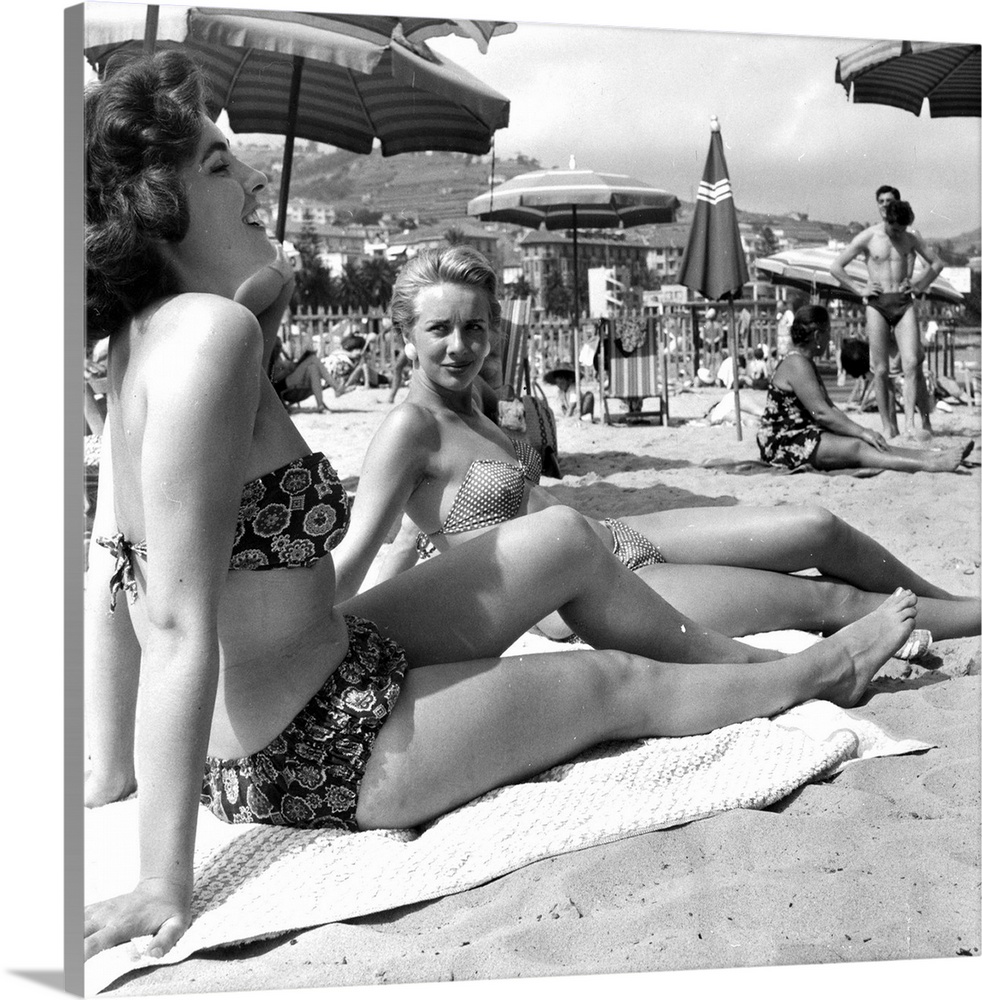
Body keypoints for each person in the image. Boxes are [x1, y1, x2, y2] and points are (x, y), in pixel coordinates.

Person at [83, 53, 922, 961]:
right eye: (216, 165)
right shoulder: (213, 336)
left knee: (559, 537)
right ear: (149, 208)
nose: (250, 176)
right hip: (312, 749)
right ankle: (809, 678)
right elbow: (167, 618)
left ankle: (733, 665)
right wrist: (164, 876)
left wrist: (111, 771)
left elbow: (109, 572)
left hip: (318, 672)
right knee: (609, 686)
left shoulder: (143, 347)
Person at [331, 246, 979, 645]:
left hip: (611, 535)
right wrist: (298, 644)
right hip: (574, 596)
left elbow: (415, 536)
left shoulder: (477, 403)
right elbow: (366, 549)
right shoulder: (406, 427)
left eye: (475, 327)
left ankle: (955, 605)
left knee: (818, 526)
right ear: (404, 334)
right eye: (439, 328)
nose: (460, 345)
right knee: (831, 603)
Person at [757, 304, 971, 475]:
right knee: (857, 447)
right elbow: (821, 413)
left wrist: (863, 432)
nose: (829, 338)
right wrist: (862, 431)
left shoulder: (804, 362)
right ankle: (929, 464)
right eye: (828, 333)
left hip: (802, 433)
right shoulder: (797, 364)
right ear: (816, 336)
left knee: (868, 442)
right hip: (784, 442)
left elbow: (830, 409)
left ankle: (930, 456)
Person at [831, 200, 944, 439]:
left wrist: (919, 285)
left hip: (903, 303)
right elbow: (837, 267)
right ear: (886, 221)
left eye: (903, 229)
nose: (899, 234)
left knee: (912, 363)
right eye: (895, 230)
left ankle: (910, 424)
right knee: (880, 369)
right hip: (877, 304)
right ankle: (886, 425)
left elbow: (936, 264)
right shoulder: (868, 237)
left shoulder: (910, 238)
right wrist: (859, 289)